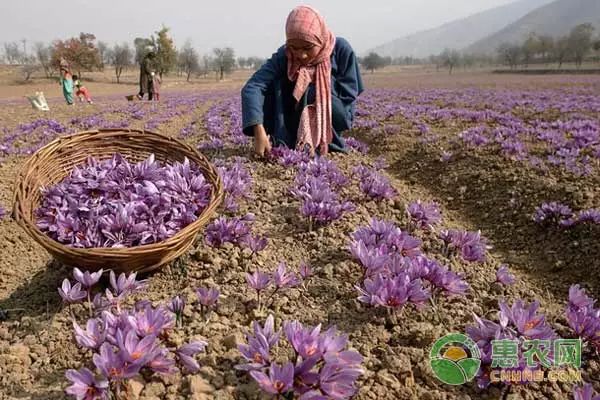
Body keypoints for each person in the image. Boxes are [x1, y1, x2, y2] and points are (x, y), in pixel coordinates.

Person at [241, 5, 364, 157]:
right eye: (294, 47)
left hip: (335, 114)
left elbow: (348, 95)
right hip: (295, 116)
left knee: (310, 87)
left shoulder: (340, 49)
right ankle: (283, 137)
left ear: (320, 39)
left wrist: (316, 86)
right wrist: (258, 128)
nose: (301, 55)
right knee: (275, 82)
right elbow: (254, 86)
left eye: (308, 47)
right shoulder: (285, 54)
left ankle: (323, 142)